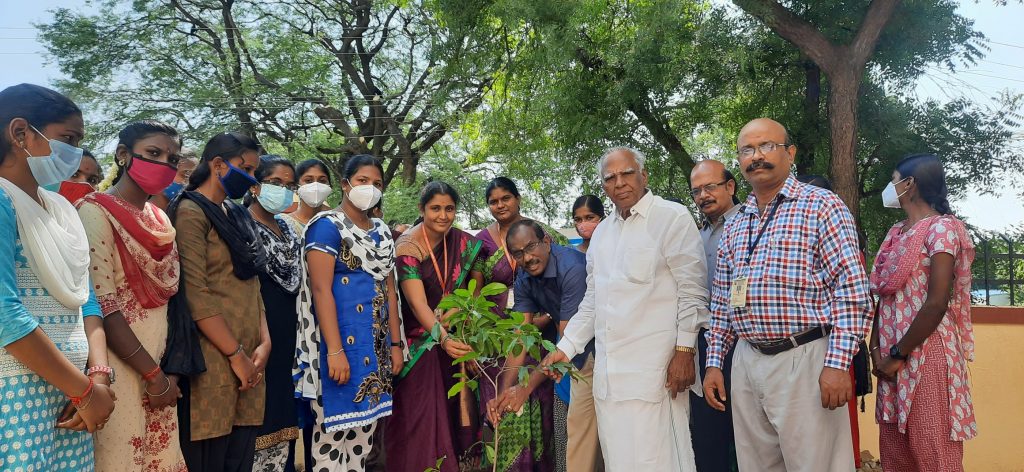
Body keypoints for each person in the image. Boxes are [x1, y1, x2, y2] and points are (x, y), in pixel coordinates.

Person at [703, 118, 872, 472]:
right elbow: (721, 301)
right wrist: (714, 362)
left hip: (805, 357)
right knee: (756, 466)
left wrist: (837, 364)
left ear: (790, 153)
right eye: (747, 150)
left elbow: (852, 290)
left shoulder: (821, 205)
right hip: (747, 360)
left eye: (767, 146)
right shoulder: (737, 222)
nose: (756, 156)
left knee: (817, 466)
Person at [542, 146, 709, 470]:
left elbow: (692, 291)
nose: (619, 182)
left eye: (627, 173)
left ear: (644, 175)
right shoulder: (602, 233)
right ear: (603, 186)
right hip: (609, 382)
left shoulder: (671, 217)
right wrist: (565, 348)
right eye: (610, 178)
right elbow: (592, 302)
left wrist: (685, 351)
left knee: (660, 461)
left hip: (656, 375)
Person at [0, 83, 116, 470]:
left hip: (73, 396)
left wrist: (98, 377)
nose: (75, 153)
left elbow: (87, 299)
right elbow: (5, 314)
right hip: (18, 392)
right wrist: (84, 391)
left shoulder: (62, 210)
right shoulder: (2, 201)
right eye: (68, 139)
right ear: (20, 133)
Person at [77, 120, 188, 472]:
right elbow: (102, 304)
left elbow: (171, 304)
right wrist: (153, 375)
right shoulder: (94, 211)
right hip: (117, 367)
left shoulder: (160, 219)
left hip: (160, 369)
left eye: (172, 159)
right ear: (123, 155)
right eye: (153, 153)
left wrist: (167, 374)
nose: (165, 165)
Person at [168, 131, 270, 471]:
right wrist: (235, 355)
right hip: (213, 358)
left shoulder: (238, 214)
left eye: (255, 171)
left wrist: (265, 342)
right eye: (246, 169)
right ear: (217, 165)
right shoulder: (191, 211)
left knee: (240, 455)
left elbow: (253, 282)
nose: (251, 178)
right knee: (210, 454)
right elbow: (195, 292)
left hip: (251, 356)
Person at [296, 154, 405, 472]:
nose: (370, 188)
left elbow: (390, 291)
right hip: (337, 347)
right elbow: (320, 291)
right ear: (345, 185)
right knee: (331, 439)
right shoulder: (326, 227)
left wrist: (395, 345)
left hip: (375, 350)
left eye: (377, 183)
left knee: (363, 439)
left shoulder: (382, 233)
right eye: (362, 181)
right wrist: (335, 351)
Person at [869, 153, 976, 471]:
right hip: (890, 357)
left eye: (893, 180)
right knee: (895, 453)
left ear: (910, 184)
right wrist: (876, 349)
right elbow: (884, 296)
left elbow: (936, 302)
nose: (890, 187)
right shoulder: (896, 232)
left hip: (925, 353)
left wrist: (898, 354)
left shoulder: (942, 229)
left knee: (933, 449)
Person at [383, 181, 484, 472]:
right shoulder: (408, 246)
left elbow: (473, 291)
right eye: (435, 208)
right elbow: (416, 304)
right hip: (419, 342)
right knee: (420, 415)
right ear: (422, 209)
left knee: (450, 414)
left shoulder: (463, 243)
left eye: (449, 209)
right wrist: (442, 338)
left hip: (453, 337)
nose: (443, 215)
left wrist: (457, 309)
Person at [486, 219, 598, 472]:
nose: (527, 258)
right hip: (568, 351)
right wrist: (503, 393)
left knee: (583, 436)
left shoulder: (572, 268)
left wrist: (524, 389)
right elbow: (521, 337)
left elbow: (568, 340)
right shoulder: (524, 277)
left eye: (531, 247)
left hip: (594, 350)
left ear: (546, 242)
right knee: (575, 433)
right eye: (518, 253)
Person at [475, 176, 554, 472]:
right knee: (501, 405)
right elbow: (476, 295)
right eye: (493, 201)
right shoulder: (480, 242)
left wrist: (543, 319)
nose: (500, 205)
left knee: (535, 406)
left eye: (506, 198)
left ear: (518, 198)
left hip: (536, 338)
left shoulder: (539, 233)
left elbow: (557, 283)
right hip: (496, 343)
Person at [796, 173, 869, 470]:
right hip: (806, 353)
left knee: (832, 428)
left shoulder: (843, 242)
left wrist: (837, 361)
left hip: (834, 346)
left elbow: (854, 296)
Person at [245, 155, 302, 471]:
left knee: (284, 410)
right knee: (258, 414)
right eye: (275, 183)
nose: (283, 190)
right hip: (258, 332)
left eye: (289, 185)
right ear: (255, 186)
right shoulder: (241, 224)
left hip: (290, 335)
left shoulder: (288, 228)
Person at [688, 159, 740, 472]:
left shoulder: (750, 224)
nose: (703, 195)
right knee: (707, 432)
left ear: (730, 186)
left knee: (747, 432)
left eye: (710, 187)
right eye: (696, 191)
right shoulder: (696, 236)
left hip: (744, 342)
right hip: (706, 342)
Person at [282, 158, 333, 235]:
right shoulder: (283, 223)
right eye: (308, 180)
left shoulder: (339, 222)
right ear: (296, 186)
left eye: (322, 181)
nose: (316, 186)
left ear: (330, 186)